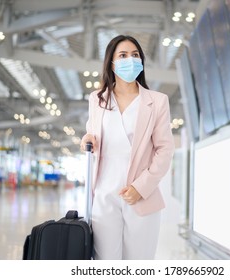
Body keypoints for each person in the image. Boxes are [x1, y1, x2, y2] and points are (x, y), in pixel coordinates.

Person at [81, 35, 175, 260]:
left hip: (141, 195)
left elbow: (165, 149)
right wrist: (86, 140)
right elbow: (91, 134)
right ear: (111, 63)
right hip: (104, 194)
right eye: (122, 55)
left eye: (135, 55)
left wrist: (140, 188)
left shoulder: (156, 101)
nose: (129, 60)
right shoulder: (98, 99)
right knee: (105, 264)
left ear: (141, 62)